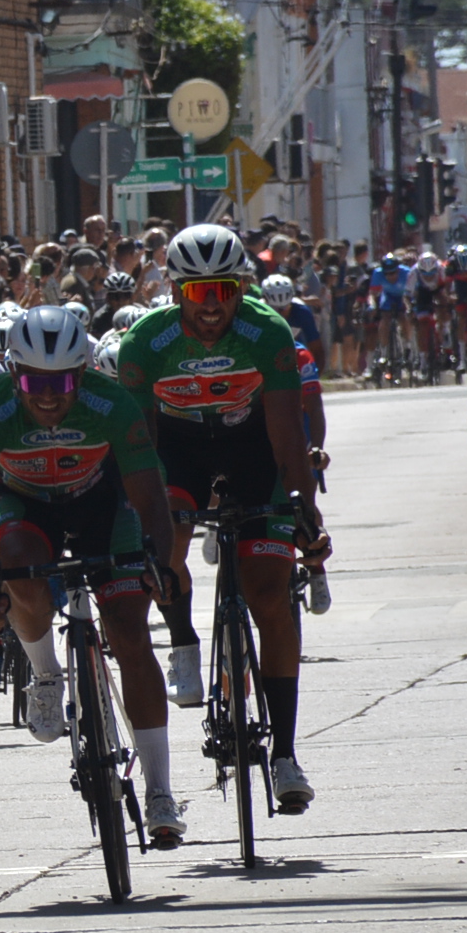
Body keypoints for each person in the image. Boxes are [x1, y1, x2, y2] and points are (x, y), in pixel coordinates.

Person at [116, 222, 326, 819]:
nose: (212, 307)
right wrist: (149, 517)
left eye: (224, 291)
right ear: (176, 291)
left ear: (241, 288)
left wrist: (304, 510)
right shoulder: (145, 343)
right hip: (178, 447)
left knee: (270, 596)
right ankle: (182, 636)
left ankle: (285, 754)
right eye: (198, 294)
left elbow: (288, 435)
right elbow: (140, 448)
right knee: (169, 541)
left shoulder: (267, 331)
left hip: (250, 445)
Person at [0, 307, 184, 840]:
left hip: (103, 508)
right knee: (19, 572)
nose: (49, 396)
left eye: (63, 382)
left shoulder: (112, 403)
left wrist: (160, 563)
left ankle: (160, 791)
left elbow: (149, 495)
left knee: (129, 634)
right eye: (34, 381)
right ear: (13, 373)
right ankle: (46, 672)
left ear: (84, 373)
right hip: (26, 508)